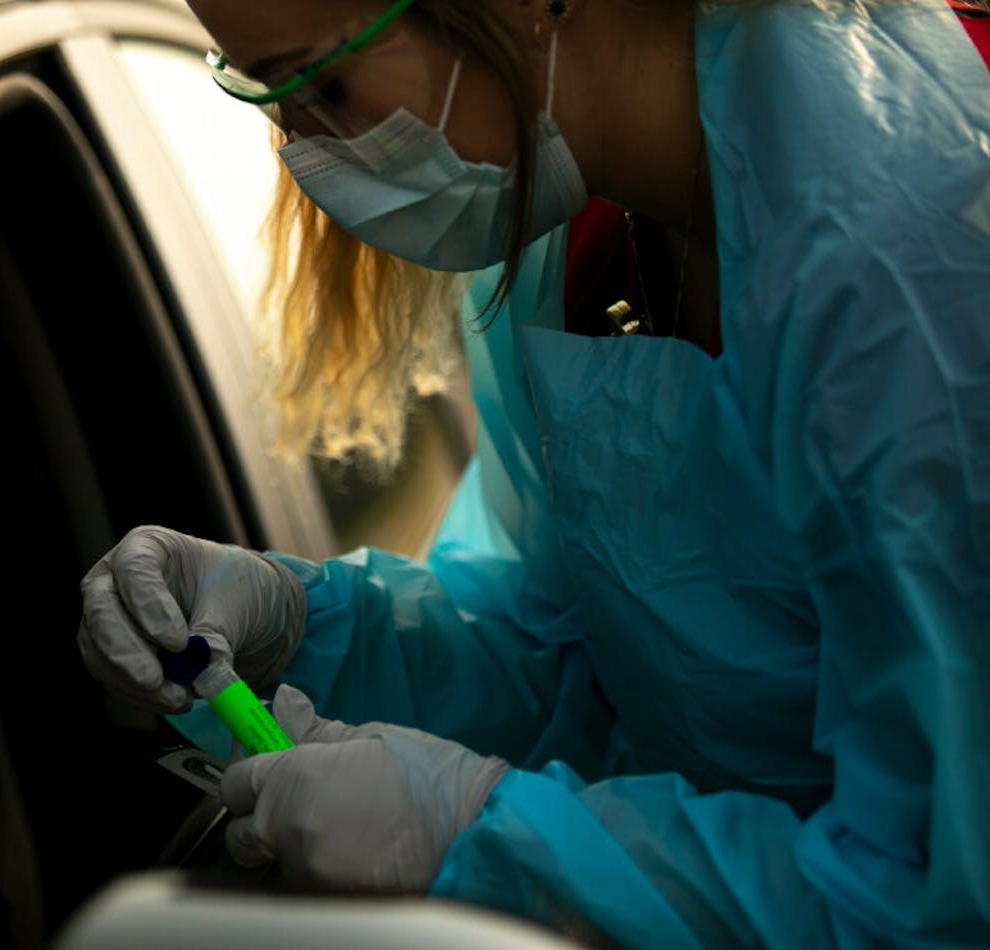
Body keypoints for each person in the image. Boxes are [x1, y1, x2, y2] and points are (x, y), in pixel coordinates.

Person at [76, 0, 990, 944]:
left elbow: (938, 902)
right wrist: (304, 627)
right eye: (265, 96)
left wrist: (480, 832)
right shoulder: (580, 231)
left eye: (324, 84)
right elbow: (598, 655)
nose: (303, 154)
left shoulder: (916, 275)